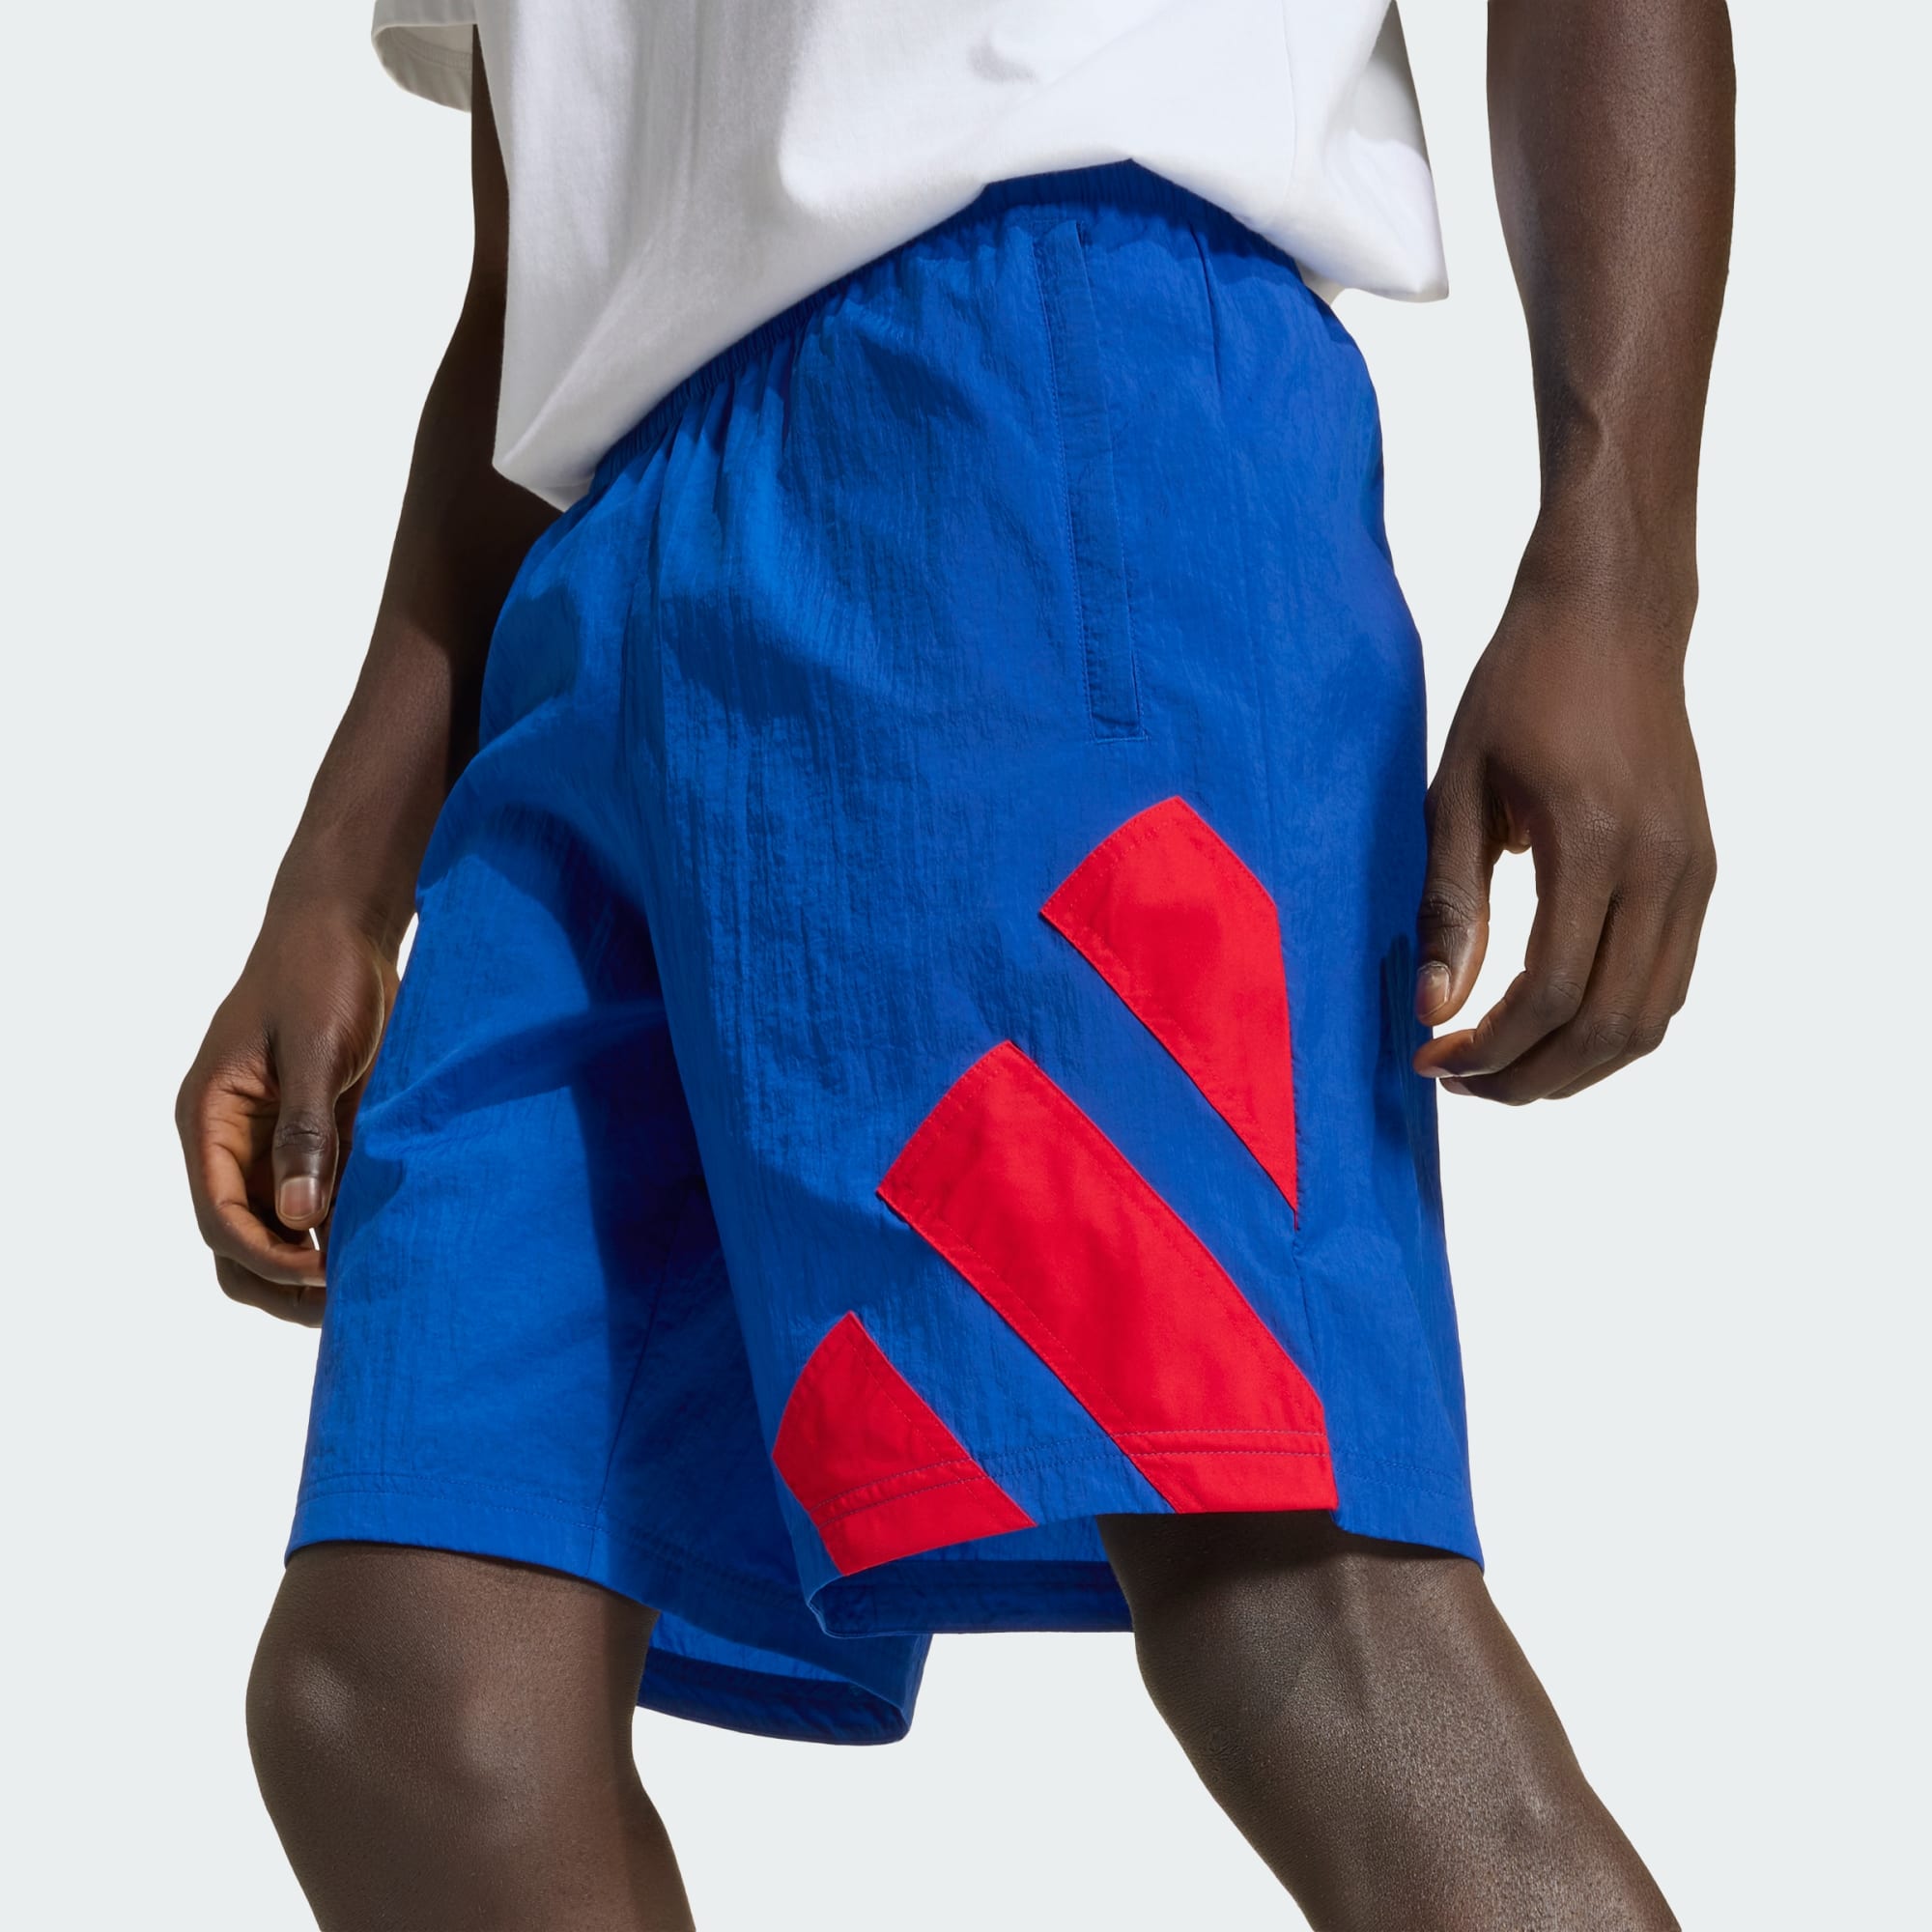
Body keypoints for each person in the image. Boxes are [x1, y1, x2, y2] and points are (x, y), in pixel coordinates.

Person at [177, 4, 1732, 1926]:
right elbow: (553, 250)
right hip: (607, 582)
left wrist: (1616, 577)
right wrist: (339, 875)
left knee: (1289, 1606)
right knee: (410, 1692)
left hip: (1032, 428)